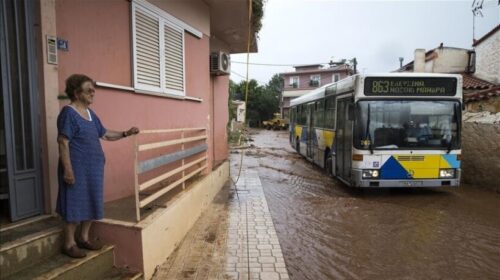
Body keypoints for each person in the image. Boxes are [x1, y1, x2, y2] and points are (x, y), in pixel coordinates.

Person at [57, 74, 139, 258]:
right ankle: (69, 243)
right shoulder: (68, 113)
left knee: (92, 201)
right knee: (73, 203)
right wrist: (68, 169)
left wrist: (126, 133)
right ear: (77, 93)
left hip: (93, 169)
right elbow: (63, 142)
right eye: (89, 91)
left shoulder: (90, 114)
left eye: (93, 90)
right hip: (76, 168)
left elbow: (105, 134)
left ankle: (84, 238)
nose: (93, 93)